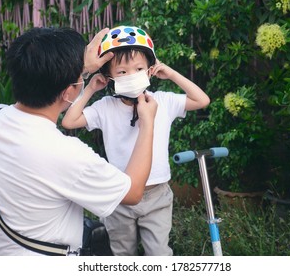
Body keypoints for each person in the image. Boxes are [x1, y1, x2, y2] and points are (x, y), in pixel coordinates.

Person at [0, 27, 157, 256]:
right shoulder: (69, 155)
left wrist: (79, 71)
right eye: (80, 78)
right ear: (69, 92)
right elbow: (134, 192)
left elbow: (56, 87)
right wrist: (147, 123)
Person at [62, 25, 210, 256]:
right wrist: (90, 88)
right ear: (109, 77)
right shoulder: (105, 107)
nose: (131, 75)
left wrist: (170, 73)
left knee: (159, 254)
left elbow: (202, 100)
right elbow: (69, 121)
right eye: (122, 72)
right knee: (122, 255)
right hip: (119, 196)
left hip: (157, 195)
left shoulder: (163, 101)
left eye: (139, 68)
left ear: (150, 70)